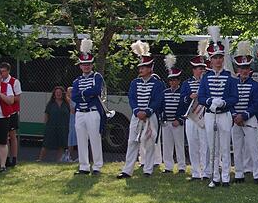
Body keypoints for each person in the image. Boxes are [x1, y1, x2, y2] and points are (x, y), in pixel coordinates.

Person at [197, 27, 239, 187]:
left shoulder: (230, 77)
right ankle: (214, 177)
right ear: (210, 60)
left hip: (225, 114)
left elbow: (235, 97)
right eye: (215, 58)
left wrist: (224, 102)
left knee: (224, 147)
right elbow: (201, 97)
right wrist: (209, 102)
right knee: (212, 147)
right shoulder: (205, 78)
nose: (218, 60)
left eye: (220, 57)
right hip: (209, 114)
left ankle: (226, 177)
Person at [117, 41, 165, 179]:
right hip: (136, 116)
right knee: (132, 141)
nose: (141, 70)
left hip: (151, 117)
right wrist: (137, 111)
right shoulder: (134, 82)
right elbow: (131, 98)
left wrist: (148, 111)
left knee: (150, 143)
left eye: (144, 67)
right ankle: (127, 170)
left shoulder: (157, 83)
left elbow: (158, 100)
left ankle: (148, 169)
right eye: (140, 67)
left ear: (150, 68)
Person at [70, 39, 106, 175]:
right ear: (80, 66)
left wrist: (82, 94)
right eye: (84, 64)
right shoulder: (76, 81)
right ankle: (84, 166)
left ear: (92, 65)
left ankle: (97, 166)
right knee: (81, 139)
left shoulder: (97, 76)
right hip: (80, 113)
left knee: (95, 138)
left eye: (88, 64)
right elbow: (74, 96)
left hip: (93, 112)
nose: (86, 66)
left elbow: (97, 90)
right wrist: (86, 94)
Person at [231, 40, 258, 184]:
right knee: (237, 148)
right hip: (235, 120)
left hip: (249, 119)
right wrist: (234, 115)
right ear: (238, 68)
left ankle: (257, 175)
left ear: (250, 69)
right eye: (242, 67)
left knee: (253, 148)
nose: (244, 70)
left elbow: (257, 104)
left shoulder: (255, 85)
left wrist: (244, 115)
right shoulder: (232, 83)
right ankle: (239, 174)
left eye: (246, 67)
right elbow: (229, 100)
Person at [180, 41, 209, 180]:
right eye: (198, 68)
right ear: (193, 69)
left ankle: (206, 171)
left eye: (203, 68)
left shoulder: (208, 82)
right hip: (191, 117)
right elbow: (182, 99)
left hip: (204, 117)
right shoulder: (187, 83)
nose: (201, 70)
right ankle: (196, 172)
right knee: (193, 145)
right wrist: (189, 97)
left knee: (205, 145)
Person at [161, 55, 186, 174]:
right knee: (167, 146)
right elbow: (161, 107)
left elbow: (185, 109)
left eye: (175, 79)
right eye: (170, 80)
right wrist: (162, 118)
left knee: (179, 145)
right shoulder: (164, 92)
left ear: (179, 81)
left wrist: (180, 120)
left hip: (177, 123)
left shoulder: (182, 92)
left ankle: (181, 167)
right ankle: (168, 167)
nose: (172, 82)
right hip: (167, 123)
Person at [38, 86, 70, 162]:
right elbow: (46, 115)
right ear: (54, 94)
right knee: (46, 144)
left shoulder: (67, 104)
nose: (58, 94)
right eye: (56, 93)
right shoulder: (50, 104)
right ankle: (40, 159)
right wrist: (46, 126)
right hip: (51, 126)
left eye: (60, 93)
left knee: (61, 145)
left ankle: (58, 161)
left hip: (63, 127)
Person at [0, 62, 21, 167]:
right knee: (4, 136)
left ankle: (14, 158)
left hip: (12, 112)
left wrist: (7, 97)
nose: (1, 73)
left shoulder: (14, 82)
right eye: (0, 71)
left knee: (12, 135)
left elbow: (17, 98)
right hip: (1, 112)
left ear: (8, 71)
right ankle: (5, 159)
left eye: (3, 71)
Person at [65, 87, 78, 163]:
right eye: (69, 92)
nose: (70, 93)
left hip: (75, 122)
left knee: (76, 139)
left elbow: (73, 111)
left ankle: (80, 157)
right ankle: (69, 156)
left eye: (71, 92)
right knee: (71, 140)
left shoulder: (74, 101)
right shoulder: (69, 101)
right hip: (71, 122)